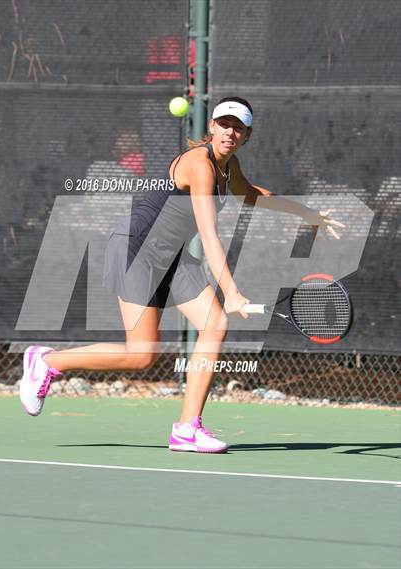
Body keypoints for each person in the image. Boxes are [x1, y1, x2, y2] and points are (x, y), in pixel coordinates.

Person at [19, 97, 344, 453]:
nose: (230, 132)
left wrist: (307, 213)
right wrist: (231, 291)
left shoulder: (227, 167)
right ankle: (46, 362)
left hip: (170, 255)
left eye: (238, 127)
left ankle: (187, 428)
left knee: (214, 324)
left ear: (247, 135)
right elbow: (208, 233)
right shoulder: (199, 164)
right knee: (141, 355)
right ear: (212, 127)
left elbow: (252, 195)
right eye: (224, 123)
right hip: (136, 250)